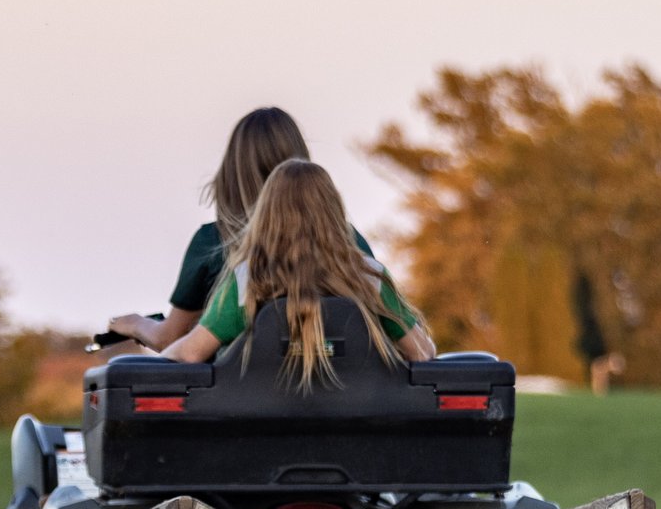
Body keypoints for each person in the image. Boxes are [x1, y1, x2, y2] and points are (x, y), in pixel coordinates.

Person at [106, 107, 378, 351]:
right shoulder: (348, 242)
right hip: (347, 398)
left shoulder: (214, 244)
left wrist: (135, 324)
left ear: (233, 171)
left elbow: (170, 340)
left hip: (242, 400)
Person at [151, 159, 435, 381]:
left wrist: (150, 362)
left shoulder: (248, 282)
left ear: (267, 214)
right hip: (359, 430)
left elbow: (189, 354)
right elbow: (423, 353)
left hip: (259, 430)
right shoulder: (368, 277)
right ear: (333, 209)